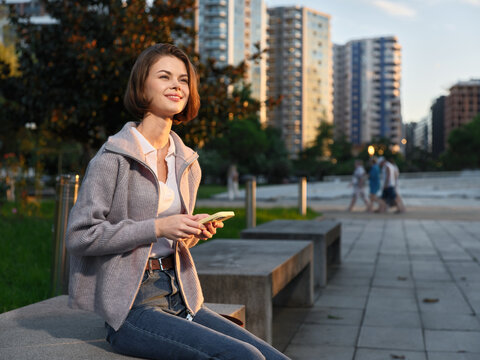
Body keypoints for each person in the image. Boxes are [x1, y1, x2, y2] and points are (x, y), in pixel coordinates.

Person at [65, 43, 289, 360]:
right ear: (142, 85)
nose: (177, 86)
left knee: (273, 357)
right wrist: (157, 227)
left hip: (180, 294)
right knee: (245, 358)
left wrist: (190, 231)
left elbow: (170, 240)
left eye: (183, 79)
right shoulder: (113, 158)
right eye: (165, 76)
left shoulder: (186, 161)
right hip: (133, 306)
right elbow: (79, 235)